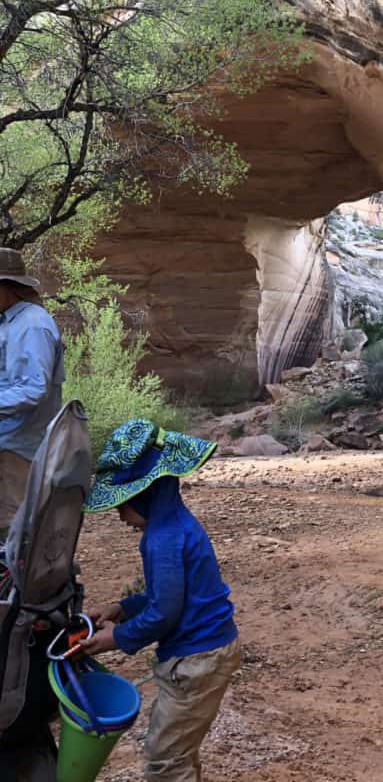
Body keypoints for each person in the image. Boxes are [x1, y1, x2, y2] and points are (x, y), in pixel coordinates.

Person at [80, 420, 240, 782]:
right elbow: (166, 595)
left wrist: (116, 638)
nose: (119, 515)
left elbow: (165, 612)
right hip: (207, 651)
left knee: (164, 760)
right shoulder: (174, 524)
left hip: (196, 659)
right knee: (177, 751)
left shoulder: (161, 540)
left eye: (123, 504)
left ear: (144, 494)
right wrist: (121, 609)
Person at [0, 248, 64, 541]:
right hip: (11, 444)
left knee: (15, 532)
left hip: (18, 447)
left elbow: (33, 388)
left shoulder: (31, 325)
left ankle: (20, 588)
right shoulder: (13, 322)